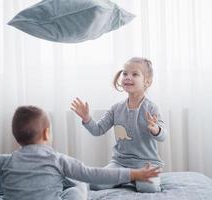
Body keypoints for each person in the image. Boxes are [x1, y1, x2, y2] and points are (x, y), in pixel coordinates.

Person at [0, 105, 160, 200]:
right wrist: (133, 174)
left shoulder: (5, 161)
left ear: (16, 137)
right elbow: (94, 173)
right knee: (77, 186)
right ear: (47, 133)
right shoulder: (58, 160)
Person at [71, 57, 167, 193]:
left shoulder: (152, 108)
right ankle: (127, 177)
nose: (128, 77)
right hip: (120, 163)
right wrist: (87, 118)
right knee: (95, 185)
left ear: (147, 81)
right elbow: (98, 130)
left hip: (146, 163)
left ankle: (134, 178)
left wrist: (156, 129)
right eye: (125, 73)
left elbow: (163, 136)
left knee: (148, 188)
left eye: (135, 74)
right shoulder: (116, 108)